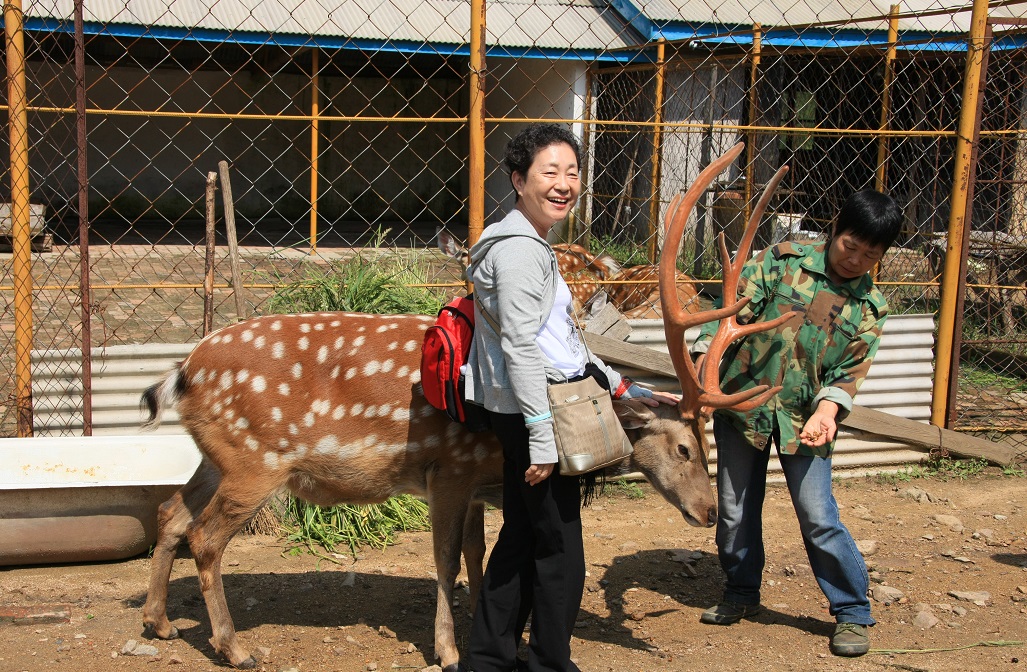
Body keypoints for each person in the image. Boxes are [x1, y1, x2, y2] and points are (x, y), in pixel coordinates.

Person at [458, 122, 677, 672]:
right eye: (549, 172)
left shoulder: (530, 242)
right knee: (560, 550)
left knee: (523, 534)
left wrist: (619, 383)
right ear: (518, 179)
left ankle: (488, 658)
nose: (564, 184)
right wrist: (540, 439)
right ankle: (548, 663)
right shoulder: (518, 253)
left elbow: (562, 340)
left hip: (535, 405)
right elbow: (522, 347)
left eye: (572, 172)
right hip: (539, 412)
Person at [691, 190, 903, 657]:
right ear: (835, 228)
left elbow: (847, 373)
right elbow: (730, 314)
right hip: (743, 405)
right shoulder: (780, 262)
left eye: (872, 255)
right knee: (734, 508)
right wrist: (706, 364)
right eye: (851, 245)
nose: (857, 260)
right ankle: (741, 592)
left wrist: (828, 412)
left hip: (804, 420)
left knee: (818, 515)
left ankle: (851, 610)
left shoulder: (870, 308)